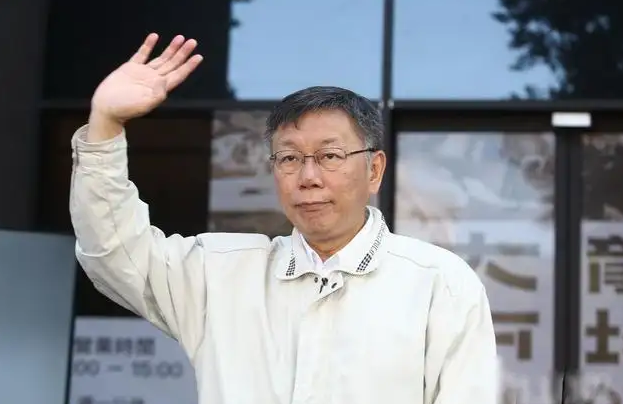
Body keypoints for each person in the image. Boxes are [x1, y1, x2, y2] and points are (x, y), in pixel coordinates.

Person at [69, 33, 499, 404]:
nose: (308, 177)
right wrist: (105, 124)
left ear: (374, 170)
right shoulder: (218, 274)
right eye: (290, 158)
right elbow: (115, 252)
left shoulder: (438, 284)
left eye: (330, 156)